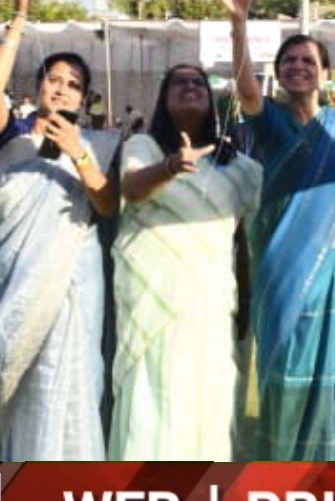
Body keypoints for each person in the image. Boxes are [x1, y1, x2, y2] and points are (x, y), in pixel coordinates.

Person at [221, 0, 335, 461]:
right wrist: (238, 24)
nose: (298, 66)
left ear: (325, 72)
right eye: (289, 60)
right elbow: (245, 89)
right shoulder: (272, 123)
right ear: (278, 73)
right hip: (287, 273)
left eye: (307, 59)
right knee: (289, 375)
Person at [0, 0, 121, 461]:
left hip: (74, 282)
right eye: (54, 80)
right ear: (39, 86)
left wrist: (78, 154)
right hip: (17, 279)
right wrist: (20, 16)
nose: (62, 89)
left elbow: (107, 205)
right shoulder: (10, 140)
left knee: (74, 380)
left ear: (84, 99)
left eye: (73, 85)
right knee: (25, 382)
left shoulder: (99, 146)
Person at [109, 63, 262, 460]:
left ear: (211, 100)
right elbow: (131, 187)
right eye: (179, 82)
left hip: (211, 305)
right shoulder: (144, 147)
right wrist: (171, 166)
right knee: (154, 404)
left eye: (199, 83)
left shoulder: (236, 166)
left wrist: (246, 301)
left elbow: (244, 236)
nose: (190, 87)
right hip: (153, 304)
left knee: (208, 404)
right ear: (163, 98)